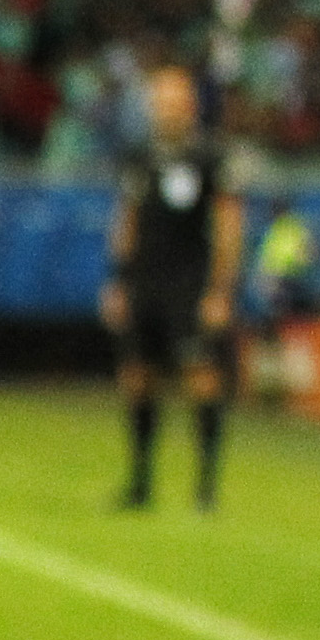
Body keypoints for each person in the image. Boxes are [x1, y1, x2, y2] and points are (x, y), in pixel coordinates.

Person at [98, 58, 243, 510]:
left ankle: (206, 487)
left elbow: (227, 223)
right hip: (145, 282)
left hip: (190, 283)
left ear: (191, 106)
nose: (167, 110)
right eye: (159, 102)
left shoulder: (209, 157)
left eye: (175, 102)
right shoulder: (140, 156)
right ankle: (140, 483)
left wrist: (220, 289)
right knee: (138, 377)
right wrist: (118, 280)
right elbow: (127, 219)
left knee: (202, 377)